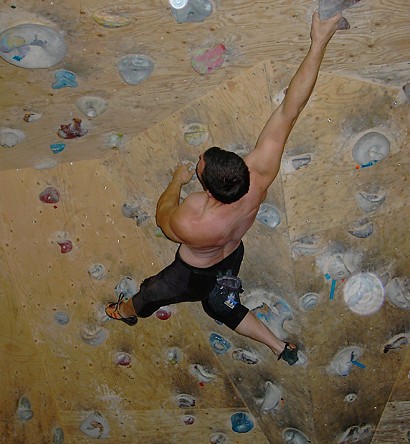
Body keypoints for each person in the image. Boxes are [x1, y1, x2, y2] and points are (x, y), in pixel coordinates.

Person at [106, 12, 342, 365]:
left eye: (199, 167)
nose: (198, 162)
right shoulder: (259, 176)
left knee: (152, 291)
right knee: (219, 305)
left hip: (194, 273)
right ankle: (279, 347)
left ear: (207, 188)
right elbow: (290, 110)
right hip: (231, 254)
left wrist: (176, 180)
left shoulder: (191, 221)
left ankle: (124, 312)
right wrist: (319, 42)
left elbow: (162, 215)